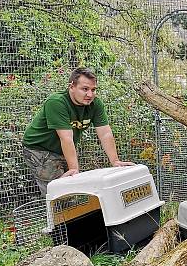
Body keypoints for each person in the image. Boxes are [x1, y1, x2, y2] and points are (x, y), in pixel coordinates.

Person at [22, 66, 134, 196]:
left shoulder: (95, 105)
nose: (90, 94)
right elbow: (66, 138)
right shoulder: (57, 102)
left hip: (61, 149)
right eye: (85, 89)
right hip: (39, 149)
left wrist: (115, 161)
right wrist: (74, 170)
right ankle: (54, 215)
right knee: (58, 192)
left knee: (73, 190)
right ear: (72, 86)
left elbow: (105, 133)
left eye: (93, 90)